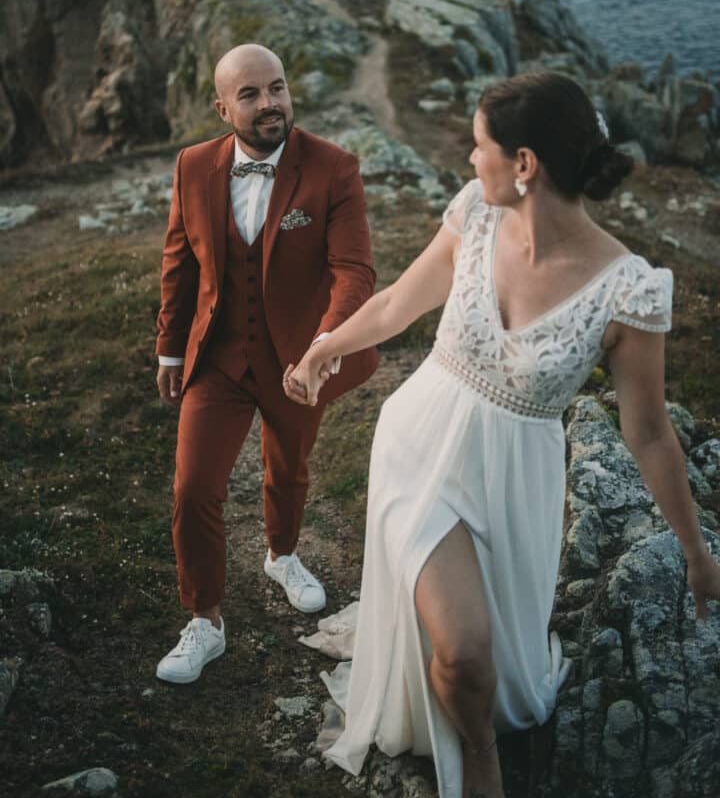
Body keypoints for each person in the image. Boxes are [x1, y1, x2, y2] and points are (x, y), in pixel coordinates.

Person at [283, 70, 720, 798]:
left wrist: (696, 549)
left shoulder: (629, 289)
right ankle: (479, 754)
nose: (469, 161)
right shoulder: (475, 217)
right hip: (421, 443)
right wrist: (325, 346)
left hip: (517, 480)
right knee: (465, 655)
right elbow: (396, 302)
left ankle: (479, 713)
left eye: (480, 146)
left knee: (490, 658)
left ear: (525, 164)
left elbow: (647, 433)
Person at [154, 43, 378, 684]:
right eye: (250, 95)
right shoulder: (193, 166)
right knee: (193, 487)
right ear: (223, 107)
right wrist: (171, 346)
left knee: (289, 469)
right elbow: (180, 262)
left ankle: (282, 555)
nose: (269, 103)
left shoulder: (332, 167)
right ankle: (204, 620)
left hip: (300, 358)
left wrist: (323, 347)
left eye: (276, 88)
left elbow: (354, 271)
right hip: (220, 358)